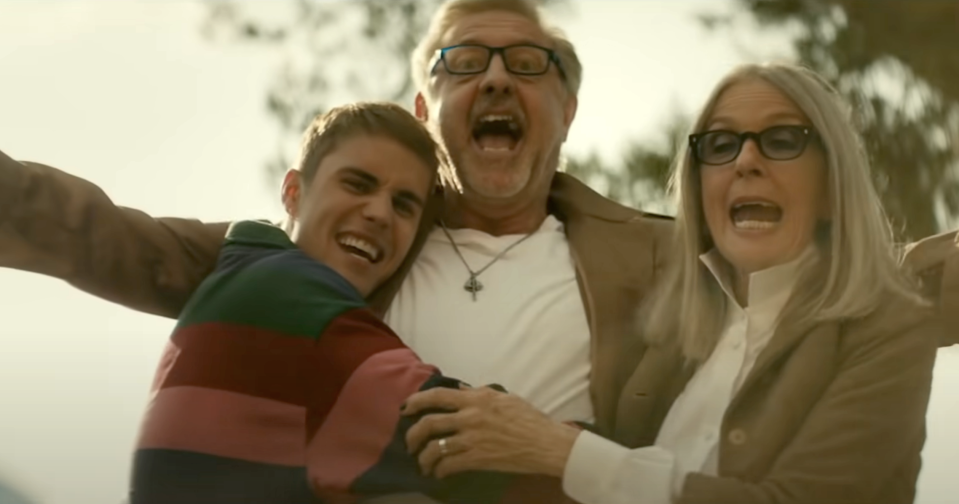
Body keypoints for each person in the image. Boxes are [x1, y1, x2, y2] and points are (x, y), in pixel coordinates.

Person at [0, 0, 673, 442]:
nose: (495, 80)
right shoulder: (350, 244)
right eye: (463, 63)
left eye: (527, 64)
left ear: (569, 110)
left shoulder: (659, 256)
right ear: (422, 110)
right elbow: (108, 238)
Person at [400, 62, 942, 504]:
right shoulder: (672, 333)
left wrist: (560, 451)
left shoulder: (889, 328)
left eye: (781, 139)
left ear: (831, 186)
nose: (746, 160)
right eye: (721, 144)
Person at [129, 103, 576, 504]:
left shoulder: (243, 277)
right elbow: (470, 439)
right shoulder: (292, 301)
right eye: (357, 184)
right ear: (293, 193)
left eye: (404, 206)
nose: (379, 213)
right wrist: (597, 455)